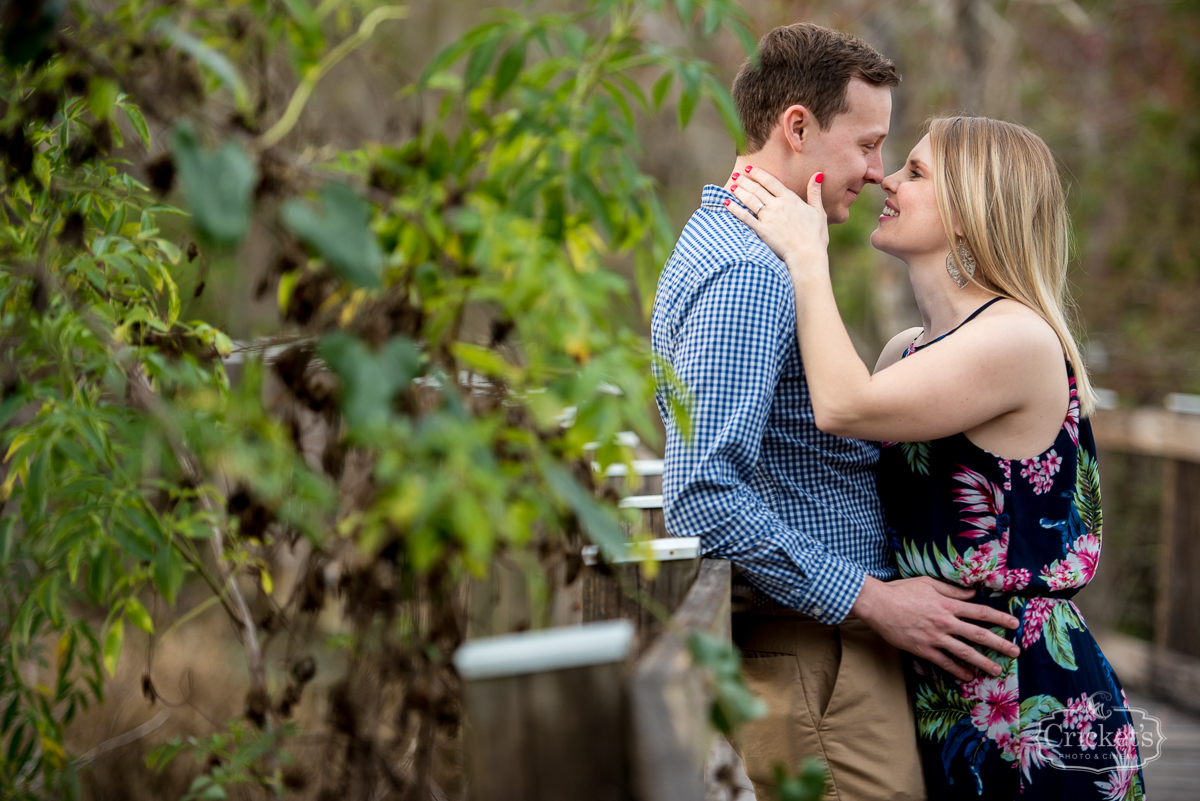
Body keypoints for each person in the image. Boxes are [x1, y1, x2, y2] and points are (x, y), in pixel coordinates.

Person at [725, 116, 1145, 799]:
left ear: (971, 212)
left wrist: (806, 256)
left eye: (915, 173)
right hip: (929, 683)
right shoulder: (905, 351)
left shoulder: (1017, 340)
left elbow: (841, 405)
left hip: (1024, 692)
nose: (887, 179)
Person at [653, 23, 1021, 801]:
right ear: (797, 127)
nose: (876, 172)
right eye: (867, 143)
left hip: (830, 649)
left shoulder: (744, 247)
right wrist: (876, 601)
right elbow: (702, 494)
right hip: (820, 655)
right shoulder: (752, 272)